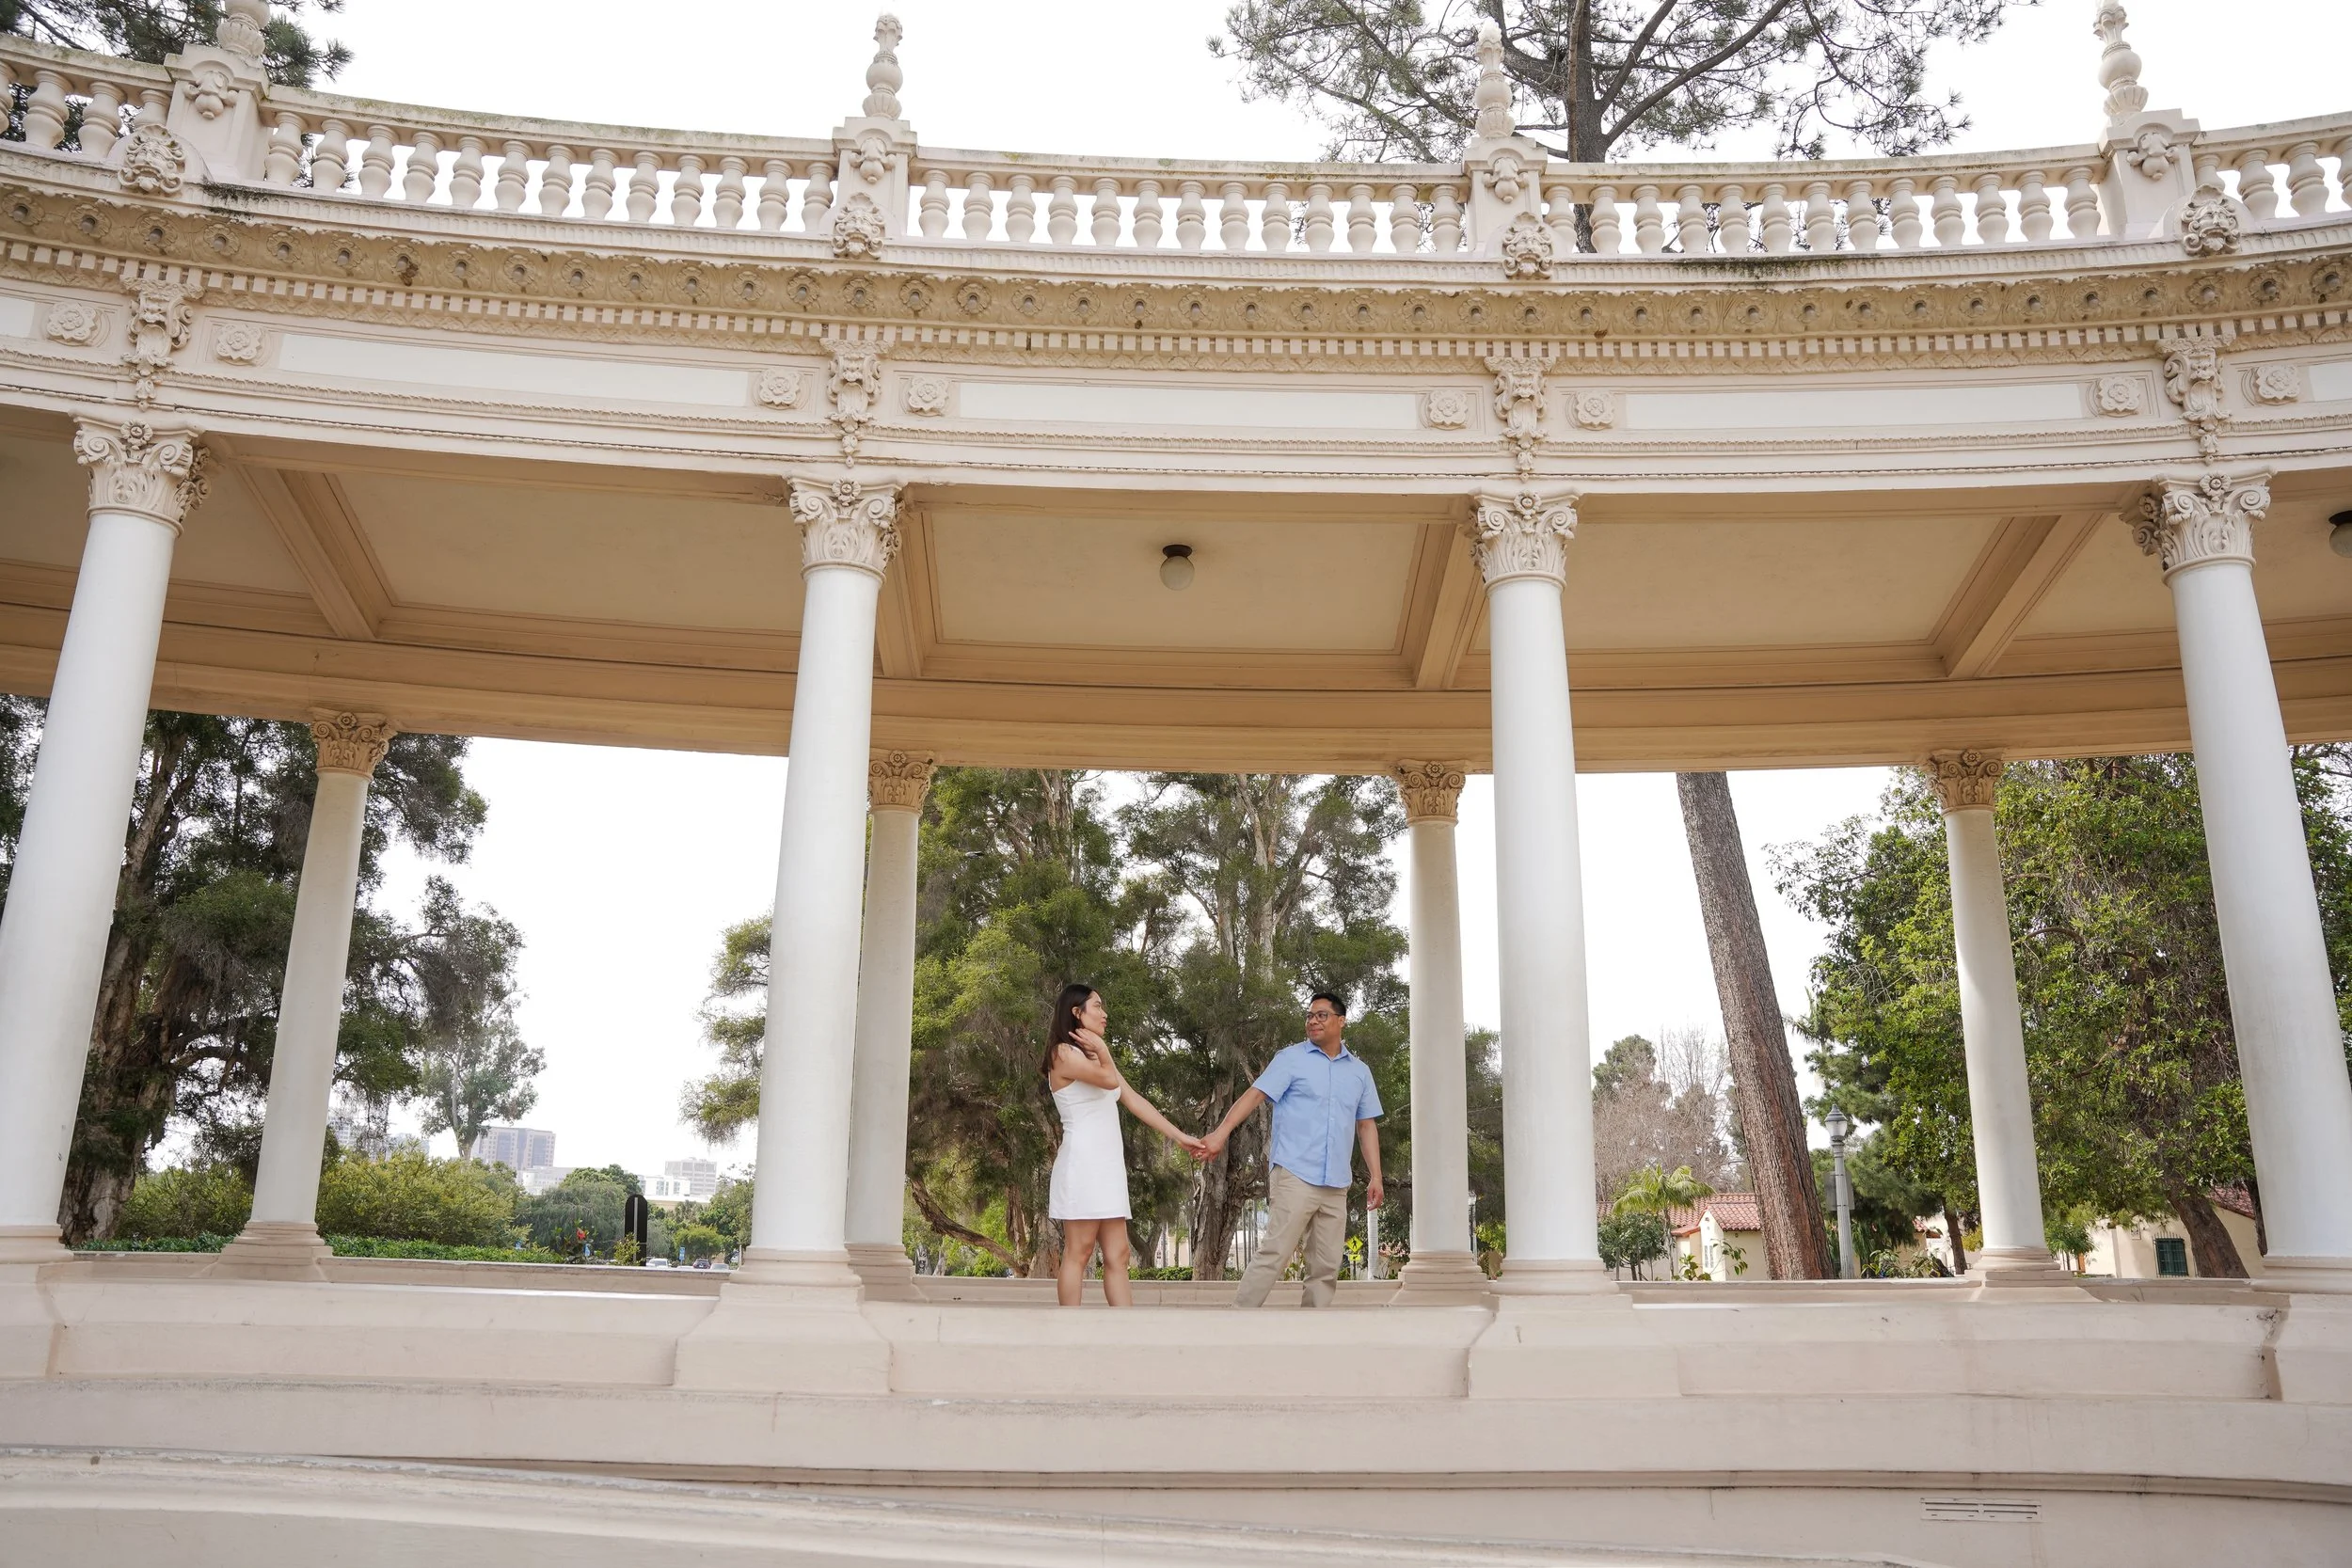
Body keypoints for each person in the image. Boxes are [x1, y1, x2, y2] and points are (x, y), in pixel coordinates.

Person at [1198, 991, 1383, 1308]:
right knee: (1276, 1252)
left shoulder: (1359, 1072)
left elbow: (1365, 1125)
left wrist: (1376, 1177)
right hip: (1295, 1172)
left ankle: (1313, 1333)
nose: (1313, 1021)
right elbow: (1254, 1096)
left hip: (1336, 1182)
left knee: (1325, 1266)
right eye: (1309, 1015)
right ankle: (1236, 1321)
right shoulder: (1291, 1059)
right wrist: (1220, 1133)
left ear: (1341, 1021)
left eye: (1322, 1015)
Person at [1043, 981, 1204, 1307]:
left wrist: (1180, 1137)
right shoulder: (1062, 1053)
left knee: (1118, 1254)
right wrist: (1104, 1053)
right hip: (1082, 1164)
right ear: (1077, 1013)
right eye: (1098, 1006)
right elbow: (1109, 1080)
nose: (1105, 1014)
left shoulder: (1098, 1057)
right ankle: (1067, 1333)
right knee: (1080, 1250)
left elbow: (1133, 1100)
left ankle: (1124, 1332)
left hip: (1107, 1168)